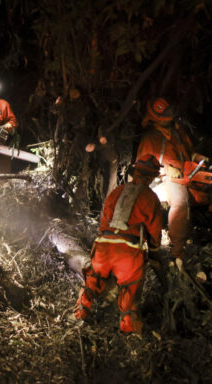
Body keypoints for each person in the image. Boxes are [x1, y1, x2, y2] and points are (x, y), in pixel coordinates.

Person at [74, 154, 163, 334]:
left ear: (135, 171)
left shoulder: (116, 191)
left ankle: (79, 315)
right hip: (129, 254)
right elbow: (154, 230)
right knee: (130, 293)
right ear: (153, 176)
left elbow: (104, 219)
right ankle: (128, 333)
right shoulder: (151, 197)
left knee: (92, 281)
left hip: (104, 247)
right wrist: (154, 250)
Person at [136, 97, 210, 265]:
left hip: (186, 173)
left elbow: (189, 153)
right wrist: (165, 170)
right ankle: (177, 251)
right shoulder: (150, 138)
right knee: (180, 202)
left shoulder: (178, 131)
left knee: (205, 192)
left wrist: (199, 158)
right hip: (165, 179)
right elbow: (143, 166)